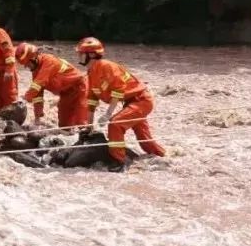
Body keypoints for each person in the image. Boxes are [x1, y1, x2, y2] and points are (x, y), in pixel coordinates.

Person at [76, 37, 166, 172]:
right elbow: (92, 101)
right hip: (131, 102)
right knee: (145, 141)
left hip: (141, 100)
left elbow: (118, 90)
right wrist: (89, 127)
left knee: (115, 124)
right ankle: (164, 157)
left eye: (81, 53)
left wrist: (108, 114)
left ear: (91, 55)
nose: (79, 56)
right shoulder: (91, 73)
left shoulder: (107, 66)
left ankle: (118, 162)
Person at [13, 43, 88, 129]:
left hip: (79, 87)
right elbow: (38, 95)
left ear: (34, 58)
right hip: (65, 93)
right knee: (64, 126)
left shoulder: (49, 61)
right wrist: (38, 118)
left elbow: (38, 83)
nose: (26, 67)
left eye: (27, 64)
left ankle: (88, 137)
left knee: (82, 122)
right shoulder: (36, 70)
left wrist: (25, 99)